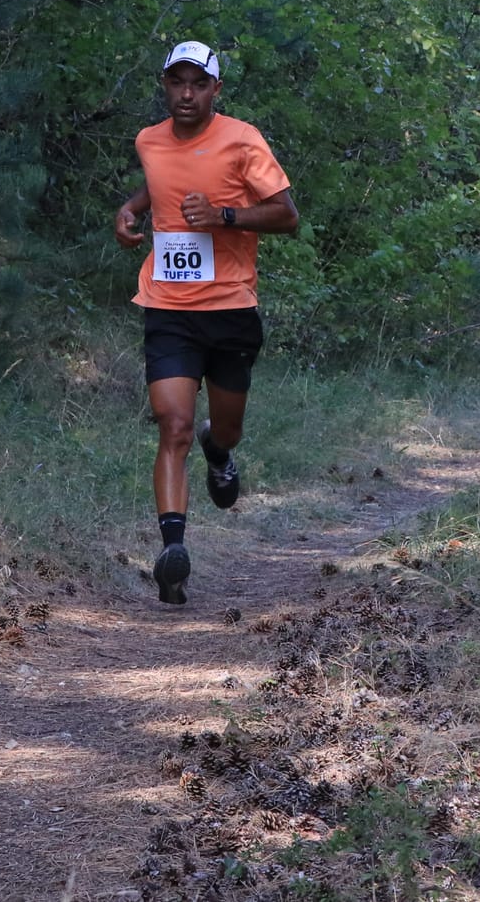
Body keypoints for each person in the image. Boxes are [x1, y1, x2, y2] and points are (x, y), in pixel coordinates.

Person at [113, 40, 299, 604]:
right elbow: (160, 178)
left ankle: (218, 453)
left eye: (198, 84)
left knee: (224, 428)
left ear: (216, 89)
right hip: (167, 307)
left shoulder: (243, 140)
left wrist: (225, 216)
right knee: (172, 425)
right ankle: (173, 553)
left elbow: (287, 216)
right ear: (165, 86)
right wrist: (130, 212)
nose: (186, 94)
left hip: (231, 311)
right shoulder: (149, 139)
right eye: (177, 83)